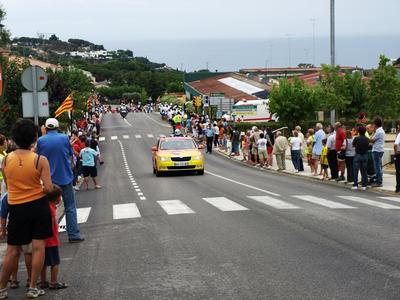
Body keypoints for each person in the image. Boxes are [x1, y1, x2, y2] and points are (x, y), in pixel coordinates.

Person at [0, 119, 54, 299]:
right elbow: (48, 188)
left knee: (13, 250)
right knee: (38, 247)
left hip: (16, 207)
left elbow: (8, 185)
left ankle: (1, 289)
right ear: (34, 137)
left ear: (14, 138)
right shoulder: (40, 160)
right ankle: (32, 286)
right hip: (37, 206)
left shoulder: (6, 160)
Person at [37, 118, 84, 243]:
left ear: (46, 129)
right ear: (57, 127)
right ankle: (73, 234)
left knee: (49, 208)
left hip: (49, 180)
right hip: (65, 177)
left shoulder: (40, 141)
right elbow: (70, 154)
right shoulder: (64, 138)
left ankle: (49, 236)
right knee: (70, 206)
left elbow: (37, 157)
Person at [40, 184, 68, 290]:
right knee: (55, 262)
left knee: (43, 263)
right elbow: (51, 226)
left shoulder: (46, 206)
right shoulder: (51, 210)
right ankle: (54, 282)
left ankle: (43, 281)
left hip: (43, 240)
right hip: (51, 240)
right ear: (58, 198)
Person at [352, 126, 370, 190]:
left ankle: (355, 185)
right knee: (364, 171)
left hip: (358, 155)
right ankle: (364, 185)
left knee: (355, 171)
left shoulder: (356, 138)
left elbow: (353, 145)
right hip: (365, 155)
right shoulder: (367, 139)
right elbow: (369, 146)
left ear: (359, 132)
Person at [370, 117, 385, 187]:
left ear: (375, 124)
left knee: (377, 167)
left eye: (373, 124)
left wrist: (373, 131)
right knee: (379, 166)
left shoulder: (378, 131)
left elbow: (371, 140)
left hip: (377, 150)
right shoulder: (381, 130)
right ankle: (379, 180)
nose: (372, 125)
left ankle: (379, 182)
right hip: (379, 150)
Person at [394, 126, 400, 193]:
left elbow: (395, 145)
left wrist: (396, 152)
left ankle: (398, 187)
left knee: (398, 171)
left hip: (399, 155)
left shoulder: (399, 135)